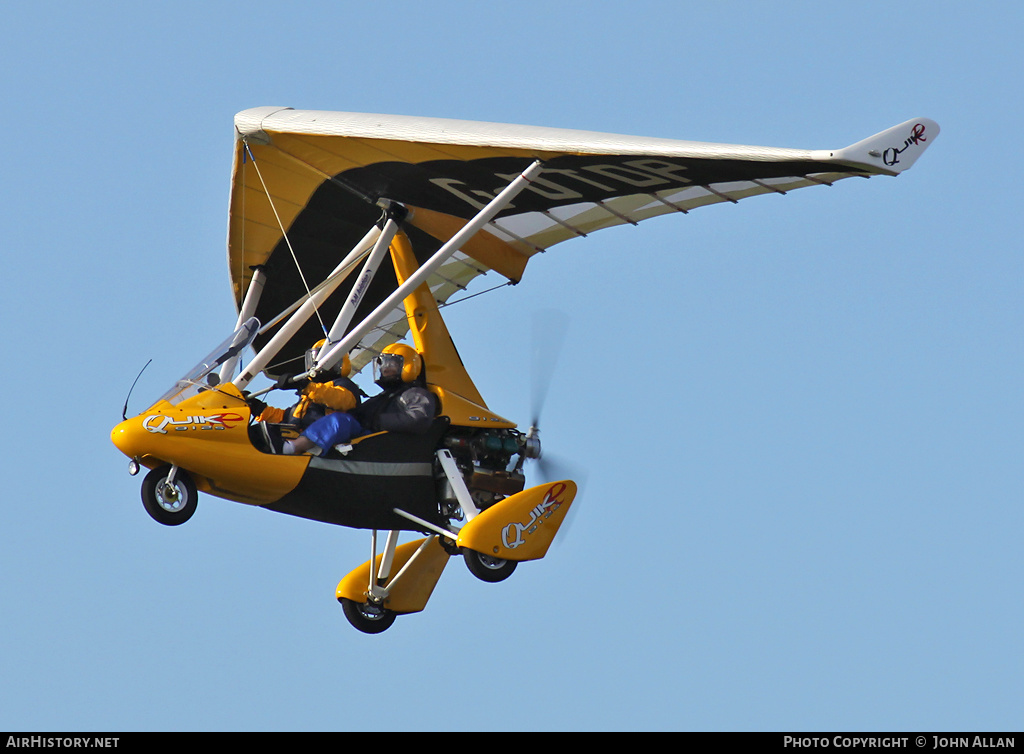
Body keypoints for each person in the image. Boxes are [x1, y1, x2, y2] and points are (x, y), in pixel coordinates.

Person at [246, 340, 363, 455]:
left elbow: (340, 400)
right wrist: (257, 408)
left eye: (325, 359)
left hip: (337, 440)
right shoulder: (309, 395)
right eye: (314, 358)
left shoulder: (344, 384)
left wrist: (304, 385)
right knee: (265, 429)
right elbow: (289, 417)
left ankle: (291, 447)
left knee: (338, 420)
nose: (317, 363)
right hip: (302, 436)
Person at [349, 343, 439, 436]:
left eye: (391, 363)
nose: (385, 368)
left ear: (409, 366)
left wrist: (378, 421)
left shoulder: (415, 393)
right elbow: (357, 415)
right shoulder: (382, 397)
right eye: (383, 363)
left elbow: (419, 419)